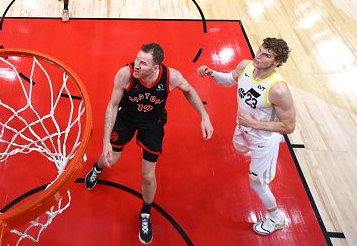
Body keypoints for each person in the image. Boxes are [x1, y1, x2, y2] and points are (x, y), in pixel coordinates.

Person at [84, 43, 213, 244]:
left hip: (152, 125)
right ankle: (97, 168)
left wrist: (204, 115)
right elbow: (112, 105)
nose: (136, 66)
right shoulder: (125, 74)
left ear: (155, 67)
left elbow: (188, 90)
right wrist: (105, 142)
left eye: (143, 63)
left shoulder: (171, 77)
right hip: (125, 119)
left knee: (148, 175)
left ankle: (146, 212)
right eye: (136, 59)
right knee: (111, 157)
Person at [197, 37, 296, 235]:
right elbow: (228, 80)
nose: (258, 56)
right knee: (240, 148)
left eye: (266, 55)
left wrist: (255, 123)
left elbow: (289, 126)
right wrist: (212, 73)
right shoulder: (246, 66)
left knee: (256, 183)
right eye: (259, 50)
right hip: (244, 128)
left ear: (277, 62)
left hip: (262, 138)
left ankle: (276, 219)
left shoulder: (278, 90)